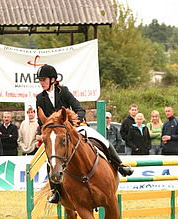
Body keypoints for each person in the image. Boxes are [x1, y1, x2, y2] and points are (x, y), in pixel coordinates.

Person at [35, 64, 133, 203]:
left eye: (43, 79)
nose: (41, 83)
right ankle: (55, 191)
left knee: (102, 139)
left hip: (73, 127)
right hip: (56, 134)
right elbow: (41, 120)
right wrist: (44, 132)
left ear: (52, 79)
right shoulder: (40, 98)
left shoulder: (64, 91)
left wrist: (76, 122)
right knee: (50, 160)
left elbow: (79, 109)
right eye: (40, 80)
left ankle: (120, 165)